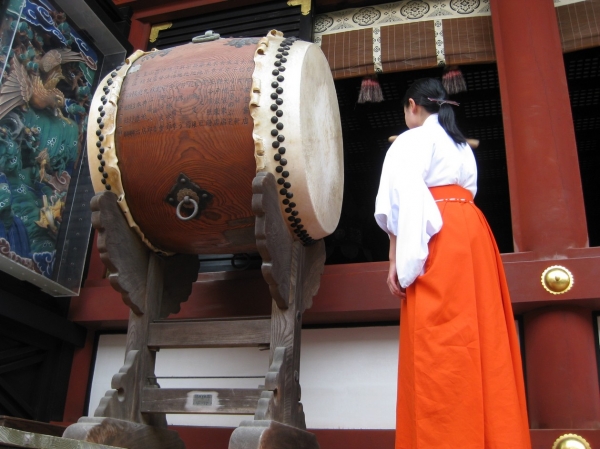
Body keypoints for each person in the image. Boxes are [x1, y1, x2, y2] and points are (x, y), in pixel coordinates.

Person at [374, 78, 531, 449]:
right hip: (471, 231)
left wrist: (399, 259)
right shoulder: (461, 146)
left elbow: (405, 200)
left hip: (436, 234)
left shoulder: (411, 140)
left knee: (439, 340)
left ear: (412, 106)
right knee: (482, 334)